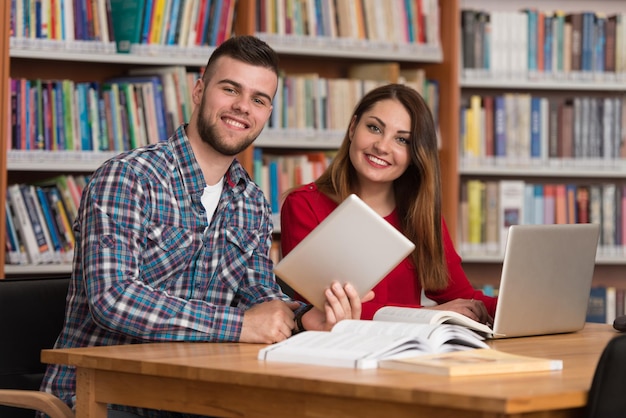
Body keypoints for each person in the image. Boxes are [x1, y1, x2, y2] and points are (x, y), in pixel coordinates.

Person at [39, 35, 366, 418]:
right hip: (99, 398)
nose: (243, 107)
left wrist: (301, 318)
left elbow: (258, 298)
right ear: (199, 91)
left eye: (259, 100)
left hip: (189, 397)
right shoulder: (127, 178)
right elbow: (114, 300)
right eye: (230, 89)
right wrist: (239, 325)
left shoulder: (251, 201)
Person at [280, 83, 497, 324]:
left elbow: (464, 299)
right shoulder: (304, 205)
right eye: (374, 128)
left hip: (408, 353)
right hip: (340, 353)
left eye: (402, 140)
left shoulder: (420, 214)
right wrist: (426, 314)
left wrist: (530, 306)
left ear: (416, 154)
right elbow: (317, 308)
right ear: (352, 128)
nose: (382, 147)